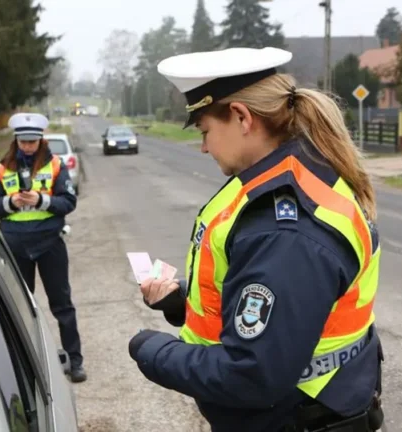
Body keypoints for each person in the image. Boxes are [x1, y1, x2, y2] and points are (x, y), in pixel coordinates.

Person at [127, 47, 385, 431]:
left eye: (205, 131)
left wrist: (151, 350)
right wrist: (180, 300)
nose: (203, 146)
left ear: (241, 117)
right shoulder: (282, 177)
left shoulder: (285, 230)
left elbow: (252, 375)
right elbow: (266, 304)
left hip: (298, 420)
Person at [0, 112, 86, 383]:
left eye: (32, 141)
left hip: (49, 243)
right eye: (23, 142)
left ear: (41, 140)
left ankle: (75, 361)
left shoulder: (54, 166)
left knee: (62, 306)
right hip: (16, 246)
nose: (28, 146)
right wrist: (11, 203)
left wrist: (41, 201)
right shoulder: (2, 168)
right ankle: (22, 365)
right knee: (20, 306)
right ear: (16, 141)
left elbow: (69, 202)